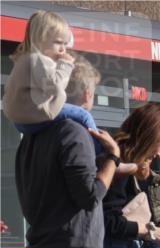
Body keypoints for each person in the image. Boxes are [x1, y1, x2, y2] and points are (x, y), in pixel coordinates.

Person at [14, 57, 120, 248]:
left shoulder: (31, 137)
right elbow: (90, 196)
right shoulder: (74, 132)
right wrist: (113, 157)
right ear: (87, 95)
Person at [100, 103, 160, 248]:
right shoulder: (118, 163)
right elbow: (109, 221)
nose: (159, 154)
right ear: (149, 136)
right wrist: (150, 231)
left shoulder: (125, 162)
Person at [2, 11, 97, 147]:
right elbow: (56, 86)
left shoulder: (25, 58)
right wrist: (66, 64)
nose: (63, 49)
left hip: (21, 119)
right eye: (58, 42)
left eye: (65, 44)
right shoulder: (38, 59)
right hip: (35, 116)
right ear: (40, 39)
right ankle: (99, 151)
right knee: (83, 115)